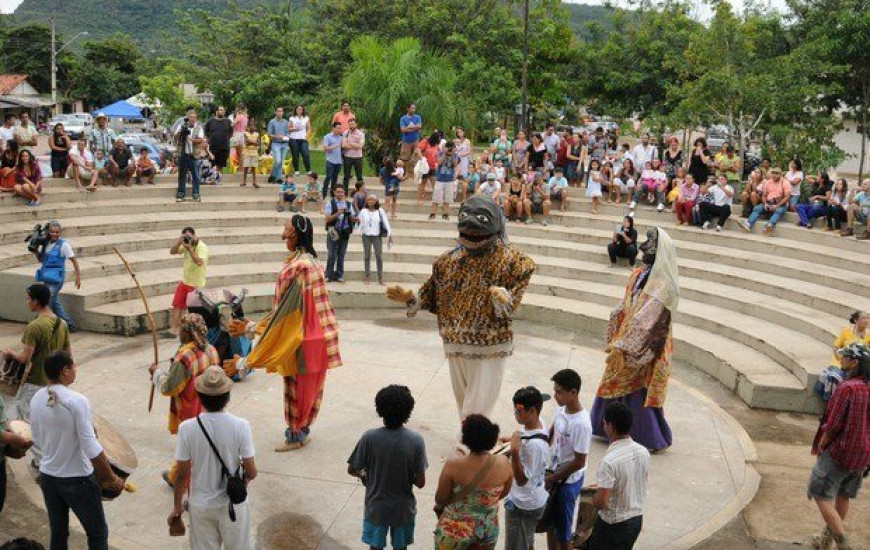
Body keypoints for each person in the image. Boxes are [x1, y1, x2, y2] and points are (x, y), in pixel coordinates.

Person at [386, 196, 536, 422]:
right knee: (464, 400)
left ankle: (469, 446)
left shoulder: (514, 261)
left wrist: (504, 298)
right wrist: (411, 298)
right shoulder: (447, 261)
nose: (472, 228)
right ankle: (472, 440)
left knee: (477, 405)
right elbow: (431, 293)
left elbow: (511, 302)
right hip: (454, 339)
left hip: (489, 344)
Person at [231, 216, 342, 451]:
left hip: (301, 337)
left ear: (295, 234)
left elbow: (284, 314)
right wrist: (253, 327)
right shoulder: (311, 262)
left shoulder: (297, 268)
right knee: (311, 388)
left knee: (296, 387)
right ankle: (303, 429)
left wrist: (249, 345)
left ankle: (296, 435)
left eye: (286, 229)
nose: (283, 234)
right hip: (321, 335)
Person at [591, 228, 678, 451]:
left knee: (637, 385)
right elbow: (628, 303)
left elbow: (648, 319)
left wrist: (625, 343)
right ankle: (607, 427)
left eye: (650, 242)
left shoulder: (663, 285)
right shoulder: (639, 274)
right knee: (615, 377)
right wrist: (616, 320)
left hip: (646, 343)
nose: (643, 247)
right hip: (627, 334)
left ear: (661, 251)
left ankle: (645, 434)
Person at [31, 350, 125, 550]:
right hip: (77, 479)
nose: (75, 370)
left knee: (58, 532)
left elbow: (37, 440)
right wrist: (112, 479)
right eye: (73, 367)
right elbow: (91, 447)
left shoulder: (36, 397)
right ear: (65, 371)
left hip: (48, 476)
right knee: (97, 533)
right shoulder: (76, 401)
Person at [169, 365, 257, 550]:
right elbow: (252, 471)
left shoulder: (187, 428)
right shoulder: (241, 425)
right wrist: (243, 480)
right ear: (228, 397)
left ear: (200, 397)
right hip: (233, 504)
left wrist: (177, 507)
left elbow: (181, 475)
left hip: (200, 506)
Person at [348, 385, 427, 550]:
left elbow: (352, 469)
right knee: (401, 547)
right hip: (403, 510)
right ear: (409, 411)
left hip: (376, 508)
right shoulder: (416, 440)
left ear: (379, 410)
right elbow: (420, 482)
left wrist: (364, 475)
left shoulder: (369, 438)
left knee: (375, 547)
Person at [807, 343, 869, 550]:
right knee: (843, 494)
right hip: (863, 455)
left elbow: (833, 426)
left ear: (855, 363)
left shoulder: (847, 388)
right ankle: (826, 539)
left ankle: (842, 542)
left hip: (840, 452)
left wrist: (822, 446)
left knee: (820, 493)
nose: (841, 360)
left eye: (846, 357)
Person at [149, 312, 220, 486]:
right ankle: (176, 476)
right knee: (202, 447)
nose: (179, 333)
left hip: (189, 411)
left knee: (188, 451)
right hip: (209, 408)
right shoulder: (211, 350)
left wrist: (156, 373)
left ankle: (184, 482)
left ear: (187, 333)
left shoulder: (185, 358)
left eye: (181, 330)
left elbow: (169, 388)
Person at [433, 414, 513, 550]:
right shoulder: (503, 463)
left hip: (454, 533)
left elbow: (440, 498)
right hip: (486, 531)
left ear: (466, 439)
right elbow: (504, 492)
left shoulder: (454, 464)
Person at [587, 402, 650, 550]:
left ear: (610, 426)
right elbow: (631, 481)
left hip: (612, 525)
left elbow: (602, 502)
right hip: (635, 520)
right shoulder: (643, 452)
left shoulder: (609, 462)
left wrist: (592, 498)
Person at [546, 369, 592, 550]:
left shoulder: (581, 424)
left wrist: (552, 478)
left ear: (573, 393)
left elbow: (580, 461)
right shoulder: (560, 410)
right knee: (551, 523)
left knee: (563, 530)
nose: (555, 395)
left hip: (568, 481)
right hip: (555, 473)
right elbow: (551, 433)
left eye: (559, 392)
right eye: (555, 390)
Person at [504, 386, 550, 550]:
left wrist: (515, 453)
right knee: (526, 541)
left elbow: (522, 480)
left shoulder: (535, 447)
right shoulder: (538, 424)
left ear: (532, 410)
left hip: (523, 505)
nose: (516, 415)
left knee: (515, 546)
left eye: (518, 411)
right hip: (529, 499)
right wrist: (512, 443)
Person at [34, 220, 82, 331]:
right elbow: (41, 259)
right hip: (46, 277)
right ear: (49, 232)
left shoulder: (64, 245)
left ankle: (40, 324)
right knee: (55, 303)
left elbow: (74, 261)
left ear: (60, 232)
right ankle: (70, 325)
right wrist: (36, 250)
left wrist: (78, 278)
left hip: (57, 279)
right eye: (52, 232)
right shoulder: (46, 243)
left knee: (46, 303)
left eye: (57, 232)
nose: (55, 234)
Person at [163, 227, 209, 339]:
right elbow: (172, 252)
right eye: (185, 237)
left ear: (194, 235)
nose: (188, 239)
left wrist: (190, 249)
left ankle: (192, 332)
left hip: (196, 283)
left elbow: (199, 262)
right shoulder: (185, 244)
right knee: (177, 304)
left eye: (189, 237)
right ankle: (173, 330)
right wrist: (179, 242)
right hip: (185, 281)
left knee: (193, 310)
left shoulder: (202, 247)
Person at [740, 168, 791, 235]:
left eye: (776, 173)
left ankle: (769, 226)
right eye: (773, 173)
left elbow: (787, 197)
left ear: (781, 174)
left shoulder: (785, 183)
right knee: (757, 208)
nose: (774, 175)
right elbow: (764, 195)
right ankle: (749, 224)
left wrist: (777, 205)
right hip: (768, 202)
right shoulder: (768, 182)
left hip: (781, 204)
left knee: (778, 211)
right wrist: (765, 203)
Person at [358, 194, 393, 286]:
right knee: (367, 256)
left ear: (376, 201)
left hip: (377, 237)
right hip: (366, 236)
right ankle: (367, 276)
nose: (370, 202)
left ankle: (380, 277)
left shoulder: (380, 211)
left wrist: (390, 233)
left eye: (372, 200)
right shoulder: (363, 211)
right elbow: (360, 222)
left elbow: (386, 222)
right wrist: (358, 231)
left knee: (379, 256)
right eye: (369, 200)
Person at [324, 186, 355, 282]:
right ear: (334, 192)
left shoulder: (349, 204)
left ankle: (339, 275)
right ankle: (328, 275)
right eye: (338, 192)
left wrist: (349, 214)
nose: (340, 194)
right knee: (331, 254)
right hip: (333, 231)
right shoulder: (330, 203)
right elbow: (327, 219)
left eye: (341, 192)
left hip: (344, 232)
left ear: (344, 193)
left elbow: (353, 220)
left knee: (341, 254)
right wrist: (338, 212)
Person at [175, 108, 206, 202]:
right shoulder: (181, 126)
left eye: (194, 117)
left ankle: (196, 193)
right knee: (182, 175)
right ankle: (181, 193)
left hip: (194, 155)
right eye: (191, 117)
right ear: (187, 118)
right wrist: (181, 131)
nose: (193, 119)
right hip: (182, 154)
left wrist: (191, 139)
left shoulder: (199, 128)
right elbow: (175, 138)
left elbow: (201, 140)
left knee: (196, 175)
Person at [430, 141, 459, 220]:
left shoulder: (455, 155)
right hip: (440, 179)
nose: (449, 149)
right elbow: (439, 162)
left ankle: (445, 214)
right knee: (436, 197)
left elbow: (455, 164)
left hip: (449, 179)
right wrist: (445, 154)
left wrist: (451, 154)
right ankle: (433, 213)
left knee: (448, 198)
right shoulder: (440, 153)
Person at [204, 106, 232, 183]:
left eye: (223, 110)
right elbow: (206, 132)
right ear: (216, 111)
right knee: (212, 165)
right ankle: (212, 180)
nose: (222, 112)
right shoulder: (210, 122)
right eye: (221, 110)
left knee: (221, 165)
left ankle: (219, 180)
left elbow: (231, 132)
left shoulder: (228, 121)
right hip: (213, 147)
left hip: (224, 147)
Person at [267, 107, 290, 184]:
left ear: (283, 113)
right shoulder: (272, 122)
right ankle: (274, 175)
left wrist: (286, 137)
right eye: (278, 111)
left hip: (284, 144)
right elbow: (269, 134)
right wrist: (277, 136)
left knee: (281, 162)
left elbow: (288, 133)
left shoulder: (286, 122)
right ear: (275, 112)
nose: (280, 113)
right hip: (276, 144)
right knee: (278, 160)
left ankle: (277, 177)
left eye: (281, 111)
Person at [287, 104, 312, 176]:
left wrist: (307, 136)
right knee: (295, 155)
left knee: (306, 154)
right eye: (298, 109)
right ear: (295, 110)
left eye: (301, 109)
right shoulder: (292, 118)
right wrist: (295, 129)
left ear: (303, 110)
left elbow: (309, 128)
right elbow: (289, 129)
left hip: (303, 139)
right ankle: (297, 171)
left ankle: (308, 170)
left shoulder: (306, 118)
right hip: (294, 139)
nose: (299, 110)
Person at [342, 118, 365, 190]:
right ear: (348, 125)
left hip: (358, 158)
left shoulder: (361, 134)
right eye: (350, 124)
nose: (352, 125)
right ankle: (344, 193)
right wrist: (355, 145)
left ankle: (360, 191)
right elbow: (343, 145)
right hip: (347, 157)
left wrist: (349, 143)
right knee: (346, 176)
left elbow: (360, 146)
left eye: (353, 124)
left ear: (356, 124)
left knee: (359, 176)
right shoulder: (345, 133)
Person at [322, 122, 344, 198]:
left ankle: (332, 194)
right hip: (330, 161)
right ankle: (324, 194)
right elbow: (325, 148)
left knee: (335, 178)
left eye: (340, 128)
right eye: (338, 128)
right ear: (333, 128)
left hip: (339, 161)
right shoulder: (327, 137)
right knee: (328, 177)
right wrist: (334, 146)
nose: (339, 129)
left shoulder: (341, 137)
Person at [240, 118, 260, 188]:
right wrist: (254, 143)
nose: (252, 127)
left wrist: (251, 142)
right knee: (246, 167)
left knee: (254, 167)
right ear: (248, 127)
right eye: (250, 125)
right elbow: (247, 143)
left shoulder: (257, 134)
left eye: (253, 125)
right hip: (247, 152)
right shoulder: (246, 134)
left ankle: (254, 181)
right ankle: (244, 181)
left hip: (254, 153)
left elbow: (258, 143)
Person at [230, 102, 248, 174]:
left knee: (239, 153)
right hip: (242, 134)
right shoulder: (245, 116)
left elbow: (232, 124)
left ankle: (241, 170)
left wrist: (235, 118)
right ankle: (241, 169)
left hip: (237, 135)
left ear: (238, 108)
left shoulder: (239, 116)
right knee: (240, 153)